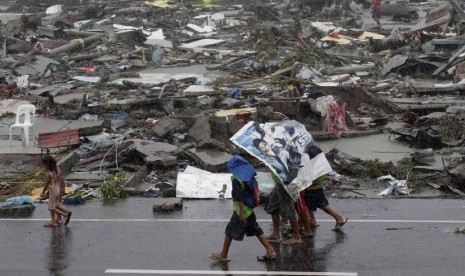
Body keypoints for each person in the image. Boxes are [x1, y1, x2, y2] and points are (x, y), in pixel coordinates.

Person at [209, 155, 277, 262]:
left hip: (241, 210)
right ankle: (270, 250)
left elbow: (239, 197)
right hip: (248, 209)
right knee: (256, 230)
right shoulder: (249, 175)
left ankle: (223, 255)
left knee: (229, 231)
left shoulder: (237, 179)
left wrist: (241, 213)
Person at [265, 173, 302, 245]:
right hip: (278, 183)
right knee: (273, 207)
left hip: (285, 184)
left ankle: (297, 237)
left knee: (288, 210)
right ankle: (276, 234)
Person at [41, 155, 72, 228]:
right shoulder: (57, 170)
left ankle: (65, 215)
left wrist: (43, 191)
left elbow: (46, 184)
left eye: (44, 164)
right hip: (57, 188)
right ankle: (64, 213)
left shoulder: (50, 174)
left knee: (51, 208)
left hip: (53, 190)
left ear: (48, 164)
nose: (44, 166)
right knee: (55, 205)